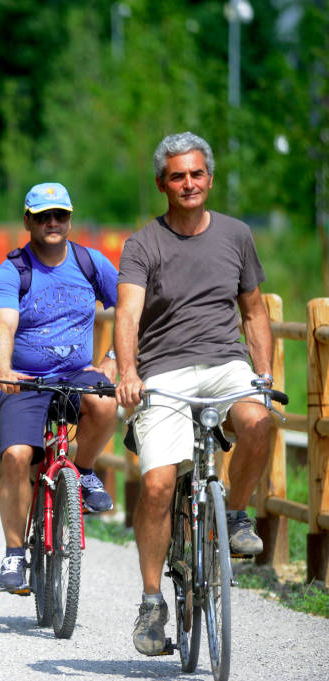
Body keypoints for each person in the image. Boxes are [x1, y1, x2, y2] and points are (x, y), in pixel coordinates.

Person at [114, 132, 273, 656]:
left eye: (197, 173)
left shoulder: (236, 235)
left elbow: (253, 311)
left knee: (259, 421)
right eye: (178, 176)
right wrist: (130, 372)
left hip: (227, 365)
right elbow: (129, 315)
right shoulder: (143, 244)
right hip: (164, 372)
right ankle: (152, 600)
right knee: (158, 483)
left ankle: (235, 515)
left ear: (209, 177)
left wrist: (264, 377)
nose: (189, 183)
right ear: (163, 183)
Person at [0, 182, 119, 594]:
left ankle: (83, 472)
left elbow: (131, 310)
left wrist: (114, 359)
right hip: (27, 380)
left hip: (78, 372)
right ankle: (14, 552)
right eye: (42, 216)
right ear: (27, 220)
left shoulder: (89, 262)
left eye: (59, 215)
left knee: (104, 402)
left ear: (69, 218)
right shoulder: (14, 269)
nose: (52, 223)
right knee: (16, 455)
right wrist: (4, 369)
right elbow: (4, 322)